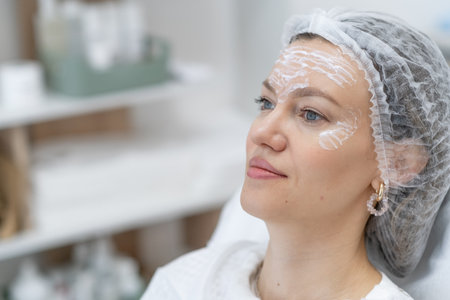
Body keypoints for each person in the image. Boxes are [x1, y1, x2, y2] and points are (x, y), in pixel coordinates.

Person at [141, 9, 450, 299]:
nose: (261, 133)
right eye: (266, 103)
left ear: (397, 164)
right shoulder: (185, 284)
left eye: (311, 114)